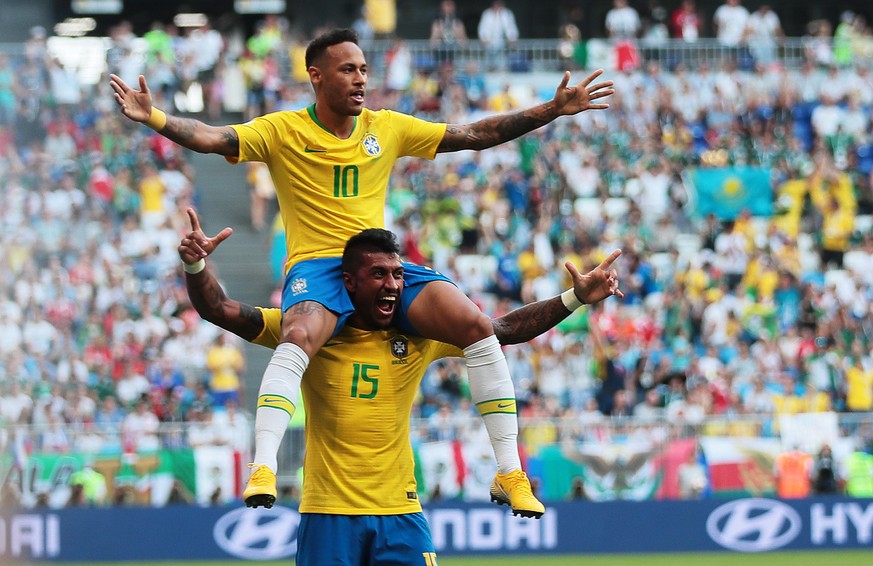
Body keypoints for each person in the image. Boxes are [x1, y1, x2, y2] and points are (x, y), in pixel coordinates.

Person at [111, 27, 614, 517]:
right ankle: (263, 466)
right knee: (298, 335)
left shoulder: (387, 127)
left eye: (364, 70)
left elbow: (474, 135)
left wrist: (553, 109)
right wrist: (153, 115)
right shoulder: (282, 130)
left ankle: (509, 472)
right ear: (316, 76)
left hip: (379, 263)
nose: (360, 80)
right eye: (347, 69)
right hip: (318, 267)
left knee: (479, 329)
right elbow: (210, 136)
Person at [178, 208, 623, 526]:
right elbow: (220, 309)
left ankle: (510, 470)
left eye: (397, 275)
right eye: (379, 276)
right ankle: (264, 466)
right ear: (349, 283)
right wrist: (196, 264)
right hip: (326, 512)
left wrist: (576, 298)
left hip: (403, 510)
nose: (392, 285)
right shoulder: (307, 329)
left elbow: (504, 329)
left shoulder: (420, 336)